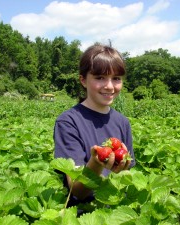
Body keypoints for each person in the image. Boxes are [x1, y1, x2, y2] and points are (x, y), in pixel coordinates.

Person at [53, 43, 135, 208]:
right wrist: (96, 163)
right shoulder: (68, 122)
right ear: (83, 80)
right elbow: (77, 191)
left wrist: (121, 172)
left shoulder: (122, 122)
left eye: (116, 78)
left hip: (114, 207)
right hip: (83, 213)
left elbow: (125, 176)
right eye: (99, 78)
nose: (110, 86)